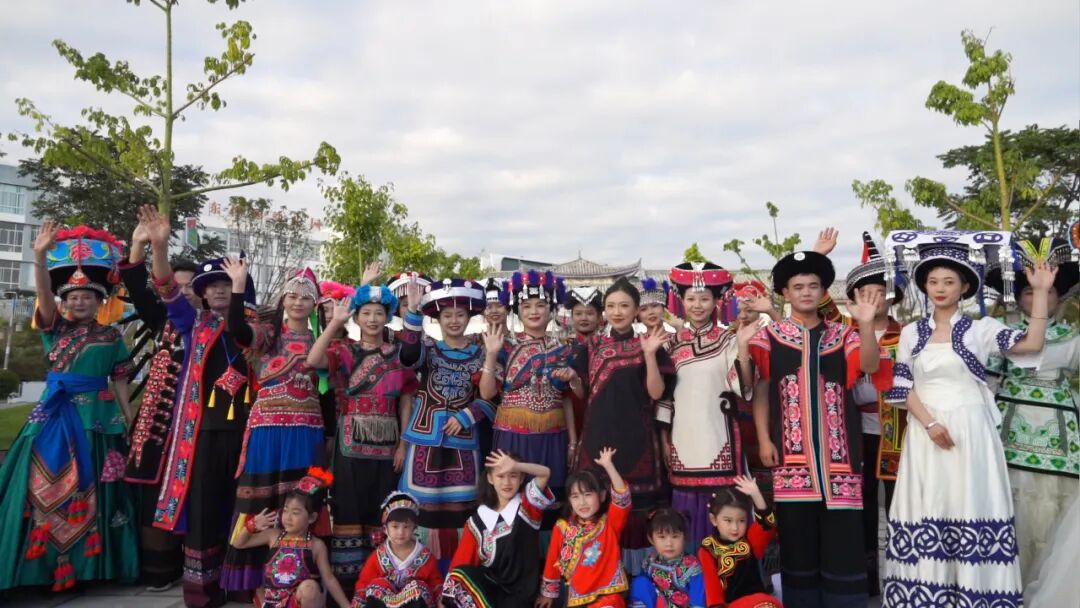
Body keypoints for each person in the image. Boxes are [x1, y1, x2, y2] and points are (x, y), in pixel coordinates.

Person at [881, 233, 1055, 608]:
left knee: (971, 502)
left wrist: (1040, 292)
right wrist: (930, 424)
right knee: (929, 505)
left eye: (949, 281)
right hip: (926, 431)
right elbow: (902, 386)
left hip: (972, 430)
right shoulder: (910, 332)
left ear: (964, 287)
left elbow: (1032, 345)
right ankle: (926, 595)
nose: (940, 288)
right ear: (925, 287)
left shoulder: (982, 329)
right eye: (933, 281)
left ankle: (978, 594)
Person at [0, 222, 138, 592]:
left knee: (101, 484)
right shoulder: (54, 329)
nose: (79, 302)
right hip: (55, 414)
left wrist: (128, 416)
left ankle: (92, 568)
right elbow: (43, 293)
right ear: (64, 302)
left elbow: (120, 379)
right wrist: (39, 255)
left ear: (100, 301)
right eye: (73, 297)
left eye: (87, 297)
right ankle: (39, 568)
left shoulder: (112, 335)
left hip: (100, 419)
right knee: (43, 480)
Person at [747, 247, 888, 608]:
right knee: (798, 541)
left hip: (840, 456)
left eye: (813, 286)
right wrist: (763, 438)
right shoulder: (769, 337)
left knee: (843, 541)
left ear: (823, 290)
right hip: (790, 456)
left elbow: (870, 365)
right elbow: (761, 389)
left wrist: (866, 324)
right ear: (785, 293)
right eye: (798, 287)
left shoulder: (844, 335)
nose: (806, 292)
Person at [144, 206, 258, 608]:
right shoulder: (193, 323)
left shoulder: (258, 327)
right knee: (206, 510)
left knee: (246, 509)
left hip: (249, 431)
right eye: (212, 286)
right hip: (205, 432)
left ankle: (243, 585)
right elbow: (166, 289)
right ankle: (204, 591)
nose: (220, 291)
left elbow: (252, 337)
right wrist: (159, 247)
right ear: (203, 294)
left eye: (228, 284)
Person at [221, 262, 332, 594]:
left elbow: (329, 393)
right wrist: (238, 286)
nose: (298, 302)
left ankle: (302, 579)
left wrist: (328, 437)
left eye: (306, 297)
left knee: (304, 499)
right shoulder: (269, 335)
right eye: (293, 296)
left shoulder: (321, 340)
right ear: (284, 299)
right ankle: (253, 583)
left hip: (307, 431)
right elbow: (238, 331)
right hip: (268, 431)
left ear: (314, 304)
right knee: (261, 497)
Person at [307, 285, 418, 591]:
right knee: (348, 510)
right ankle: (348, 587)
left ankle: (381, 582)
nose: (372, 319)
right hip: (350, 445)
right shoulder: (346, 351)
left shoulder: (398, 355)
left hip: (388, 445)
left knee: (381, 508)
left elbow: (406, 401)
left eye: (378, 313)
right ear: (356, 318)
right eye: (366, 313)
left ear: (388, 317)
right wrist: (335, 322)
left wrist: (404, 443)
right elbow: (313, 360)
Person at [985, 237, 1079, 587]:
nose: (1040, 297)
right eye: (1030, 291)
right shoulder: (1001, 334)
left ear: (1059, 297)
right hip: (1009, 427)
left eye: (1049, 291)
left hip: (1061, 432)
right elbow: (987, 384)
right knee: (1011, 502)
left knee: (1057, 506)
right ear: (1019, 297)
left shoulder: (1073, 336)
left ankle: (1050, 585)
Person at [574, 277, 676, 575]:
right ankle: (597, 578)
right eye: (611, 306)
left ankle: (641, 579)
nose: (617, 312)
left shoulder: (649, 344)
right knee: (596, 505)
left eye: (624, 306)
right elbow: (581, 392)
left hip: (637, 441)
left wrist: (649, 355)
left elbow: (657, 393)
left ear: (635, 310)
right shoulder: (592, 346)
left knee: (637, 512)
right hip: (597, 438)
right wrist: (571, 379)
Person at [122, 206, 199, 591]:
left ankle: (195, 565)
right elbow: (138, 288)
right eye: (176, 285)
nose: (182, 292)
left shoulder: (211, 326)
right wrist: (140, 245)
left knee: (194, 491)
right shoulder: (162, 321)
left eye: (190, 287)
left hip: (196, 422)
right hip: (158, 421)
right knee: (153, 491)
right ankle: (158, 569)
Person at [829, 231, 907, 596]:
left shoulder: (908, 335)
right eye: (866, 292)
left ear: (893, 297)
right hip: (854, 433)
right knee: (858, 508)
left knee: (899, 505)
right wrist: (821, 254)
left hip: (899, 434)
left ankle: (904, 575)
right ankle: (867, 580)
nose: (873, 299)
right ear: (855, 298)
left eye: (881, 292)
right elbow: (816, 304)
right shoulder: (843, 331)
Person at [397, 277, 493, 557]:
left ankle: (460, 564)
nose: (454, 320)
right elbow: (408, 356)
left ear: (469, 317)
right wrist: (412, 311)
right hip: (425, 440)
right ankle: (420, 564)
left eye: (460, 315)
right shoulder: (429, 351)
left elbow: (492, 398)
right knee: (420, 510)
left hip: (463, 441)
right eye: (447, 315)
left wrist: (467, 415)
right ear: (437, 319)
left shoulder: (482, 354)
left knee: (462, 510)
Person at [658, 261, 752, 548]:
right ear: (681, 301)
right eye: (691, 299)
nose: (697, 305)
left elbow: (743, 387)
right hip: (682, 440)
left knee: (725, 509)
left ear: (715, 301)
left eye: (704, 299)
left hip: (718, 436)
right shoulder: (671, 344)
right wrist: (664, 440)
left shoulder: (728, 340)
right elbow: (664, 397)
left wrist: (743, 347)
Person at [479, 270, 579, 502]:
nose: (534, 311)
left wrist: (573, 442)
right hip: (513, 435)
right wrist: (491, 355)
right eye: (526, 306)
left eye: (540, 305)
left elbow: (566, 399)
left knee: (549, 499)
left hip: (554, 435)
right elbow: (486, 393)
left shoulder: (565, 350)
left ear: (551, 309)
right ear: (517, 311)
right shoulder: (504, 347)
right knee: (512, 496)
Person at [443, 451, 555, 608]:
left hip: (522, 595)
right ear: (490, 478)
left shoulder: (528, 506)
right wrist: (445, 597)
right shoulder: (477, 521)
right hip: (490, 593)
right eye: (500, 476)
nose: (507, 482)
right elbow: (461, 562)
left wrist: (516, 465)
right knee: (459, 575)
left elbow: (545, 473)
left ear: (521, 478)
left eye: (513, 475)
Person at [230, 467, 351, 608]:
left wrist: (347, 606)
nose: (288, 517)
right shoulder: (273, 536)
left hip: (296, 603)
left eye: (295, 512)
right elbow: (239, 543)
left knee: (310, 588)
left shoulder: (316, 545)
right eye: (286, 510)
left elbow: (329, 579)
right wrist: (252, 524)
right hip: (272, 602)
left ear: (311, 518)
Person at [540, 447, 631, 608]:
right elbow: (553, 560)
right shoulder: (562, 527)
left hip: (608, 597)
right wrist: (547, 594)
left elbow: (622, 497)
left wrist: (609, 466)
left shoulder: (609, 524)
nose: (582, 502)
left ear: (602, 495)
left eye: (588, 495)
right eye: (575, 496)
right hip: (577, 598)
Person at [698, 476, 781, 608]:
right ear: (713, 519)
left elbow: (767, 525)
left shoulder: (750, 539)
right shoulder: (708, 549)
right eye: (728, 520)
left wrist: (756, 495)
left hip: (760, 603)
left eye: (741, 520)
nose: (735, 528)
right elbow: (713, 591)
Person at [352, 492, 444, 608]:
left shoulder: (425, 557)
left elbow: (435, 584)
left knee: (417, 587)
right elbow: (363, 584)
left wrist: (440, 601)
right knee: (377, 585)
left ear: (414, 528)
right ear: (385, 529)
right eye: (395, 526)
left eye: (406, 526)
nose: (400, 532)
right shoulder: (377, 557)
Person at [628, 507, 707, 608]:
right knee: (639, 583)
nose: (669, 544)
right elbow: (642, 592)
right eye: (662, 537)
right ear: (651, 539)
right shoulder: (649, 562)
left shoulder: (693, 567)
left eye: (675, 536)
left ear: (685, 537)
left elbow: (698, 602)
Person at [563, 285, 603, 435]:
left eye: (590, 313)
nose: (584, 318)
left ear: (599, 317)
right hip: (570, 414)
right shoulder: (562, 349)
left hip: (601, 413)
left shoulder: (608, 347)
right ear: (572, 317)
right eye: (578, 313)